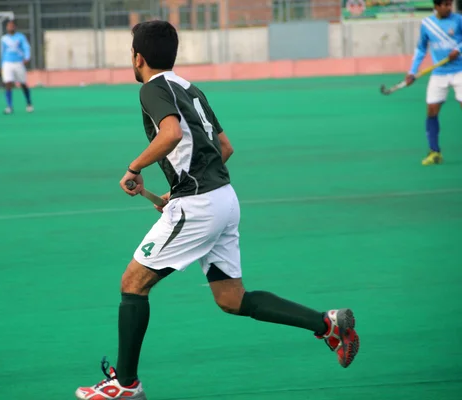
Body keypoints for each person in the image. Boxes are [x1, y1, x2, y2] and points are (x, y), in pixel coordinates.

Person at [74, 20, 360, 400]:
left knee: (133, 283)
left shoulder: (152, 89)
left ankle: (125, 385)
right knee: (231, 298)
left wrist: (135, 167)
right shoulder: (189, 87)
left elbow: (172, 133)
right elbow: (224, 147)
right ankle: (327, 325)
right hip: (223, 198)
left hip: (202, 205)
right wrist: (178, 193)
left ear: (137, 57)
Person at [406, 0, 462, 166]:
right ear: (436, 6)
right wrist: (412, 71)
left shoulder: (458, 20)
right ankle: (434, 152)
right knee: (431, 110)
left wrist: (458, 49)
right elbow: (421, 49)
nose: (448, 8)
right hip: (439, 73)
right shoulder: (427, 24)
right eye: (444, 4)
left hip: (459, 71)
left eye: (449, 4)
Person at [0, 19, 33, 114]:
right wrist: (2, 65)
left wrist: (27, 57)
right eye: (8, 26)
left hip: (18, 62)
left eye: (12, 25)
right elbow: (2, 52)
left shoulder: (20, 37)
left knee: (23, 83)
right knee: (8, 83)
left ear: (15, 27)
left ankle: (29, 103)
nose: (10, 27)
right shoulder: (4, 39)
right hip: (7, 63)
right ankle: (9, 106)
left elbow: (26, 47)